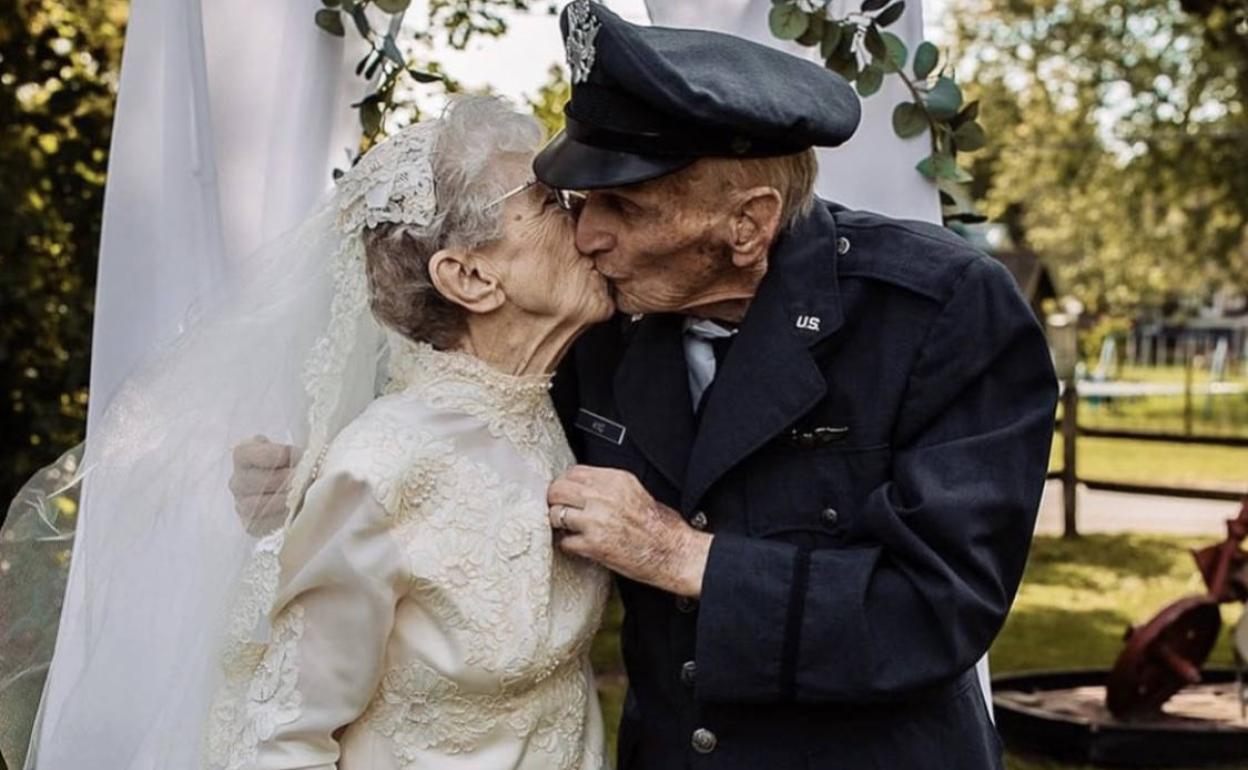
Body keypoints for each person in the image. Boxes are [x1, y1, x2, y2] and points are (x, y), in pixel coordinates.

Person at [232, 4, 1059, 768]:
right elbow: (464, 424)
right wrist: (314, 472)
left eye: (621, 207)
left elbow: (936, 609)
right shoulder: (603, 323)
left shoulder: (940, 312)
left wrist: (681, 555)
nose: (586, 235)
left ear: (747, 224)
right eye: (577, 201)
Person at [16, 95, 615, 770]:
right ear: (470, 276)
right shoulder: (382, 466)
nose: (587, 215)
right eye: (547, 202)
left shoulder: (549, 403)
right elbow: (280, 740)